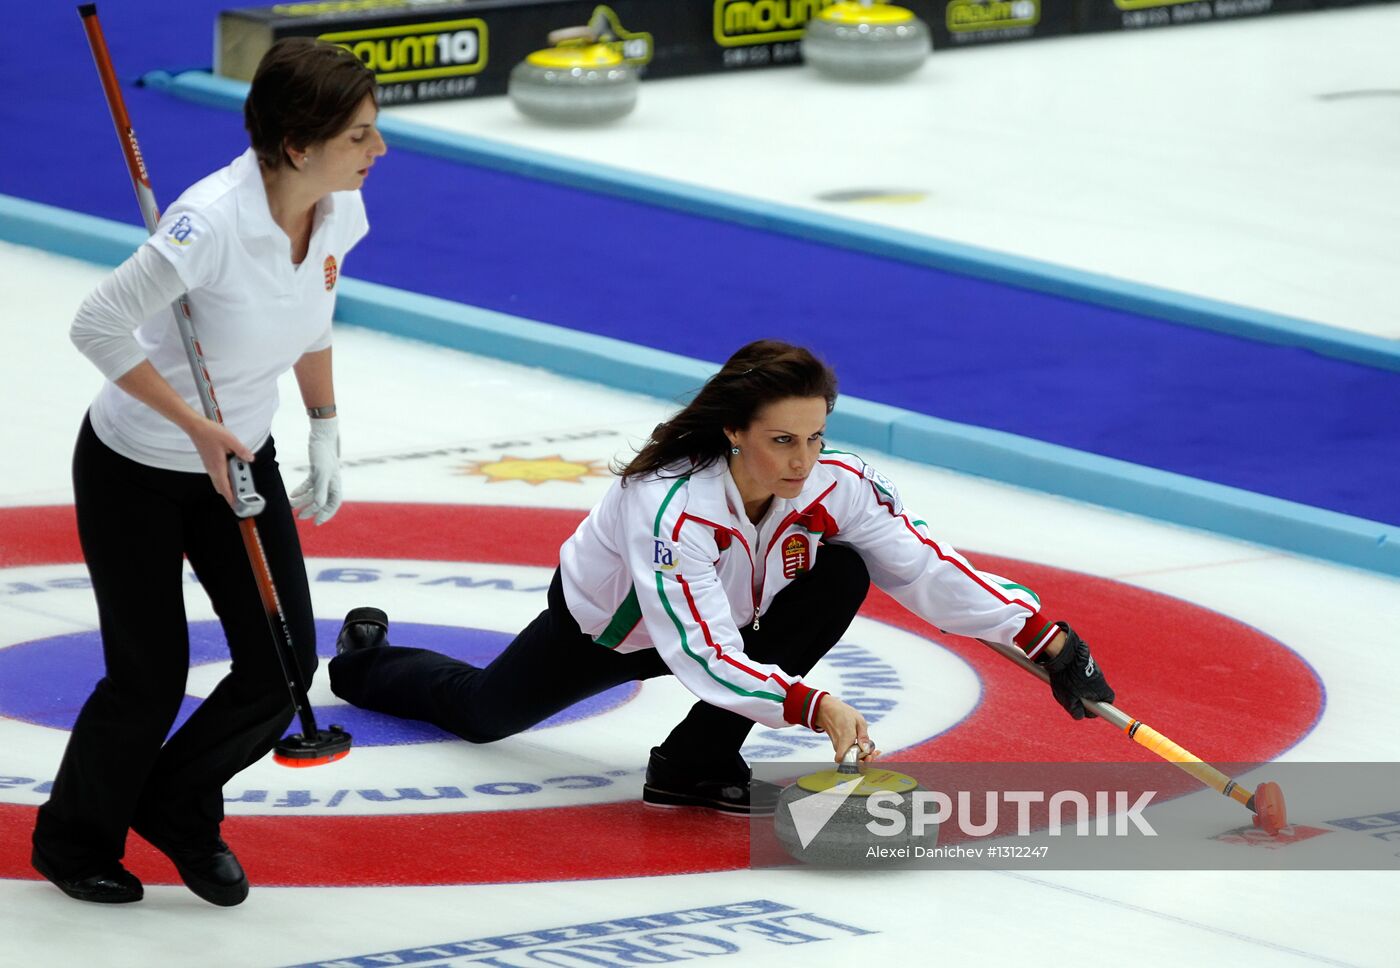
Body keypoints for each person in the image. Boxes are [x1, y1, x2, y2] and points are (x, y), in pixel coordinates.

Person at [329, 340, 1114, 816]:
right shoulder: (668, 505)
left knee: (843, 572)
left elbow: (923, 564)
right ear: (735, 431)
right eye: (782, 440)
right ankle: (365, 660)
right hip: (614, 629)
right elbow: (697, 654)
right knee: (483, 714)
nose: (804, 461)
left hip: (732, 619)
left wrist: (1043, 638)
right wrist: (812, 704)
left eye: (815, 436)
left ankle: (694, 765)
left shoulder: (835, 483)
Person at [31, 38, 387, 907]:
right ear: (299, 145)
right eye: (361, 136)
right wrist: (195, 427)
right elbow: (96, 327)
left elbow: (312, 321)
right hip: (137, 467)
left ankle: (176, 802)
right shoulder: (210, 221)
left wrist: (325, 427)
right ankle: (73, 840)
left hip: (241, 458)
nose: (379, 152)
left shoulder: (339, 211)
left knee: (283, 663)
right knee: (147, 676)